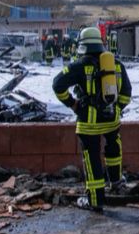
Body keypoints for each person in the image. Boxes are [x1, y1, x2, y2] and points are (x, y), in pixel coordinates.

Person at [52, 27, 131, 212]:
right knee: (113, 148)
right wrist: (116, 108)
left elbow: (57, 85)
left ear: (82, 45)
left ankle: (95, 200)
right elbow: (126, 93)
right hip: (112, 120)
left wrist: (72, 104)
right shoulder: (117, 65)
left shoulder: (78, 66)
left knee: (92, 158)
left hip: (88, 123)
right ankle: (116, 181)